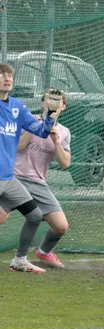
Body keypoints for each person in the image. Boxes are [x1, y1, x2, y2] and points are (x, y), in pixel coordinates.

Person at [0, 90, 71, 271]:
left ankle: (43, 252)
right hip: (15, 177)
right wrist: (35, 129)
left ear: (63, 106)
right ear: (42, 103)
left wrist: (55, 141)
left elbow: (65, 163)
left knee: (61, 226)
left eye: (58, 101)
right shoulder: (27, 120)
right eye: (49, 100)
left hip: (38, 183)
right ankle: (20, 259)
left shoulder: (63, 132)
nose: (53, 103)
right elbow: (17, 146)